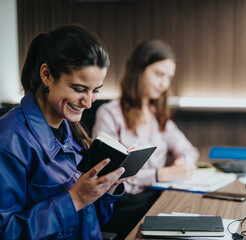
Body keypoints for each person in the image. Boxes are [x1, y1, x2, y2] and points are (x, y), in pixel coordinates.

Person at [0, 25, 128, 239]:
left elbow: (92, 221)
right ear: (47, 75)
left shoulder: (71, 131)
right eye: (79, 89)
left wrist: (106, 189)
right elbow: (6, 233)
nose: (88, 103)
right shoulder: (9, 141)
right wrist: (75, 198)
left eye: (95, 90)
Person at [92, 39, 200, 237]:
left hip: (154, 199)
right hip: (122, 206)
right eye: (159, 74)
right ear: (138, 70)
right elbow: (107, 175)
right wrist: (160, 175)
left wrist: (181, 162)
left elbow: (190, 150)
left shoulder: (157, 115)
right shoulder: (109, 114)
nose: (164, 84)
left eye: (169, 77)